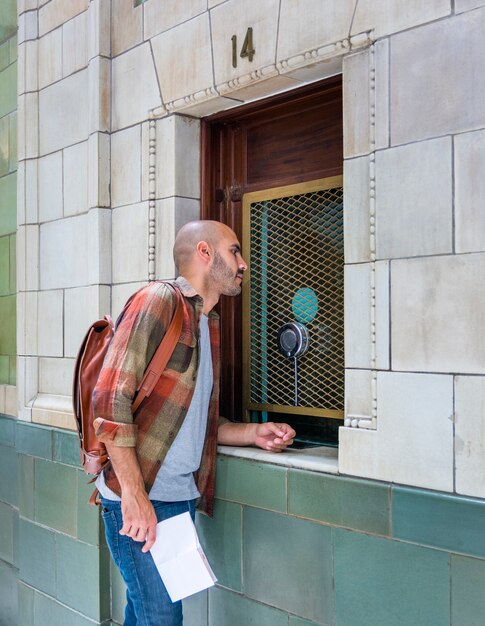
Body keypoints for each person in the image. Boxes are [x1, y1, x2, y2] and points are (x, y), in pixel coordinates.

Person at [92, 220, 296, 626]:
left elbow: (199, 423)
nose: (242, 263)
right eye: (234, 251)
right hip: (140, 498)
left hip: (177, 498)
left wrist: (254, 433)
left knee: (149, 613)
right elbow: (109, 398)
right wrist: (134, 496)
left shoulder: (207, 324)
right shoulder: (159, 300)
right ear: (205, 253)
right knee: (160, 616)